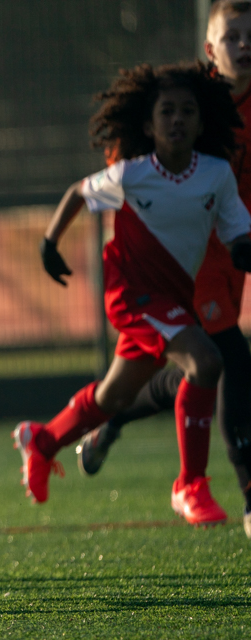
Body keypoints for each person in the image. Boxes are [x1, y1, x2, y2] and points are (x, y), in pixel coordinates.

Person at [18, 61, 251, 526]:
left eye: (187, 111)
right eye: (167, 111)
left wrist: (245, 250)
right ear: (148, 125)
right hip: (131, 296)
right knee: (206, 362)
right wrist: (49, 243)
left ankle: (42, 441)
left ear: (201, 123)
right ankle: (190, 485)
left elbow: (238, 237)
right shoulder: (131, 175)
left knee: (115, 397)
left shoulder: (217, 175)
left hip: (174, 302)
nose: (177, 119)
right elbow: (79, 193)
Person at [74, 0, 251, 539]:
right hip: (185, 261)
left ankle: (111, 418)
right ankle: (241, 497)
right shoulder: (185, 101)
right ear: (210, 49)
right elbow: (128, 164)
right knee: (229, 360)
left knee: (188, 368)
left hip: (236, 251)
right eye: (234, 36)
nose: (245, 45)